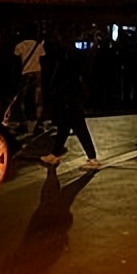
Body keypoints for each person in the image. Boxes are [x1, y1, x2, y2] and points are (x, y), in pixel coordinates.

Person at [39, 34, 101, 171]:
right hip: (71, 95)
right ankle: (55, 153)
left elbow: (60, 77)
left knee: (78, 127)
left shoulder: (63, 57)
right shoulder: (70, 55)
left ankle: (92, 158)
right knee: (65, 126)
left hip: (69, 95)